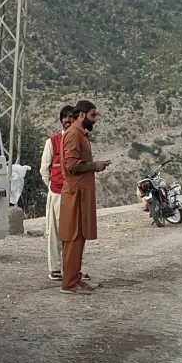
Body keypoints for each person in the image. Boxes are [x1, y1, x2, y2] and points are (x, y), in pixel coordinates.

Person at [58, 100, 109, 296]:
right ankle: (69, 283)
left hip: (81, 195)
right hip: (75, 196)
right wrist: (94, 166)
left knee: (79, 238)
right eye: (93, 116)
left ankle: (75, 278)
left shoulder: (80, 135)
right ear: (82, 115)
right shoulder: (73, 135)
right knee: (73, 238)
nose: (94, 120)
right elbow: (71, 165)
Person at [39, 106, 76, 281]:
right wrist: (52, 187)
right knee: (55, 232)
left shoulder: (79, 140)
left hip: (75, 194)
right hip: (57, 193)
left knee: (74, 233)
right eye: (65, 117)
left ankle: (72, 268)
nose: (68, 120)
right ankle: (55, 269)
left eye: (71, 117)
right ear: (61, 119)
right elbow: (43, 170)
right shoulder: (52, 142)